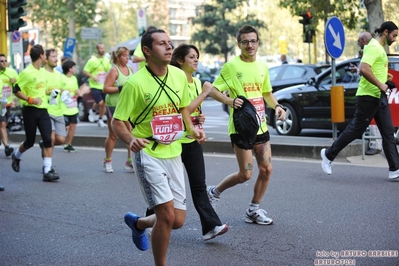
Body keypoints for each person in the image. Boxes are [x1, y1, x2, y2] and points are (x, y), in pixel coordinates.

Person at [112, 29, 205, 266]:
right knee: (165, 215)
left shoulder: (177, 75)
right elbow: (117, 121)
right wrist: (130, 139)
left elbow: (183, 108)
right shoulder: (134, 84)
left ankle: (139, 223)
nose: (169, 47)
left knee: (178, 220)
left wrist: (192, 129)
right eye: (162, 44)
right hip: (148, 153)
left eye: (170, 43)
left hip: (173, 150)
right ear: (147, 51)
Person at [207, 25, 286, 225]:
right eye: (245, 41)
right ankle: (214, 192)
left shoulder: (262, 66)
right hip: (241, 128)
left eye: (253, 41)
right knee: (246, 174)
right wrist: (229, 101)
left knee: (267, 169)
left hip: (260, 127)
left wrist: (277, 106)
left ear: (258, 42)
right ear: (239, 44)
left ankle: (253, 210)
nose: (249, 45)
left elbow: (266, 92)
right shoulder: (231, 67)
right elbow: (212, 90)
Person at [320, 21, 399, 181]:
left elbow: (369, 68)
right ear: (385, 32)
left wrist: (385, 78)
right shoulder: (373, 47)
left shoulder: (380, 49)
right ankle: (328, 155)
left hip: (378, 97)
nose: (395, 39)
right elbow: (364, 68)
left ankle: (395, 169)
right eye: (394, 35)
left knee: (388, 133)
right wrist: (381, 84)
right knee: (356, 130)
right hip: (367, 97)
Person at [170, 43, 228, 240]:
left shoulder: (196, 82)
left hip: (192, 141)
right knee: (169, 186)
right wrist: (204, 93)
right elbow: (181, 109)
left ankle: (211, 226)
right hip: (174, 142)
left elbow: (193, 112)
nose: (196, 60)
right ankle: (150, 219)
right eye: (191, 57)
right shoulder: (174, 81)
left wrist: (199, 121)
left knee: (198, 186)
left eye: (197, 56)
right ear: (180, 61)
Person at [11, 44, 59, 181]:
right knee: (30, 141)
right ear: (41, 56)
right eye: (45, 54)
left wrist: (50, 93)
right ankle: (16, 156)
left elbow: (40, 89)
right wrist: (30, 99)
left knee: (48, 139)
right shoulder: (27, 72)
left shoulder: (43, 71)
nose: (46, 56)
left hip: (43, 110)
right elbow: (16, 90)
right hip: (30, 111)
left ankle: (47, 171)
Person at [103, 46, 135, 173]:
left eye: (128, 56)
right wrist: (120, 88)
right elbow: (105, 88)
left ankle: (129, 161)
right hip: (114, 104)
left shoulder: (130, 69)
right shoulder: (114, 70)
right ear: (118, 57)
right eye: (124, 56)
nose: (127, 58)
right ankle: (108, 160)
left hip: (127, 105)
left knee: (130, 133)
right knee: (113, 135)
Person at [351, 32, 383, 156]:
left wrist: (381, 85)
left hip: (370, 93)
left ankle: (329, 154)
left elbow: (367, 70)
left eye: (358, 40)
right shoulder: (373, 49)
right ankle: (394, 167)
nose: (357, 43)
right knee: (384, 130)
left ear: (363, 40)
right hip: (375, 93)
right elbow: (366, 69)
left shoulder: (372, 49)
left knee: (356, 127)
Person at [41, 49, 67, 160]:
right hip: (46, 110)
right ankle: (48, 167)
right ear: (46, 59)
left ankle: (45, 144)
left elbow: (61, 89)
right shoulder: (41, 73)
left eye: (57, 56)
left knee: (61, 139)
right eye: (53, 56)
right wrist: (50, 92)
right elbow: (39, 90)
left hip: (58, 111)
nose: (56, 59)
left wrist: (65, 94)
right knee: (50, 138)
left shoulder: (59, 74)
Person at [83, 43, 111, 127]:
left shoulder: (107, 60)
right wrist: (93, 77)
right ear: (97, 49)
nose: (103, 50)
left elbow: (110, 70)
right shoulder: (92, 60)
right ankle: (93, 110)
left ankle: (100, 119)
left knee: (104, 104)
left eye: (103, 48)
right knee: (101, 102)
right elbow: (85, 71)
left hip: (104, 85)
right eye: (101, 48)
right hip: (95, 85)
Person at [61, 60, 83, 152]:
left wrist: (78, 93)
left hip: (73, 107)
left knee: (73, 126)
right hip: (63, 108)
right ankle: (55, 140)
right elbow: (59, 91)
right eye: (74, 67)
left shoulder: (74, 78)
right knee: (66, 126)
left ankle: (68, 144)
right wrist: (66, 94)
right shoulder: (61, 78)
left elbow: (76, 90)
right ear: (70, 69)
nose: (75, 69)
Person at [0, 53, 18, 157]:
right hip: (0, 104)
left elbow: (20, 83)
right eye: (1, 61)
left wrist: (14, 81)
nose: (3, 63)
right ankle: (7, 147)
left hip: (8, 103)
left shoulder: (11, 72)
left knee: (4, 124)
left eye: (5, 61)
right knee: (2, 124)